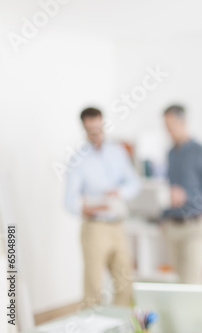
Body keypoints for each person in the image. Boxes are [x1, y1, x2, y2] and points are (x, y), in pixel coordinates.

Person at [65, 107, 140, 308]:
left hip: (118, 225)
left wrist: (119, 192)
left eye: (99, 129)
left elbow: (134, 183)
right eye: (91, 131)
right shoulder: (78, 160)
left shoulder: (118, 152)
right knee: (94, 287)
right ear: (84, 128)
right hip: (95, 227)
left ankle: (123, 326)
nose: (96, 135)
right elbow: (70, 201)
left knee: (125, 282)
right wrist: (83, 207)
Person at [161, 104, 202, 284]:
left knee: (192, 283)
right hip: (173, 226)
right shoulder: (171, 153)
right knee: (179, 283)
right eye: (165, 126)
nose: (168, 131)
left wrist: (187, 196)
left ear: (183, 122)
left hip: (195, 227)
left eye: (171, 125)